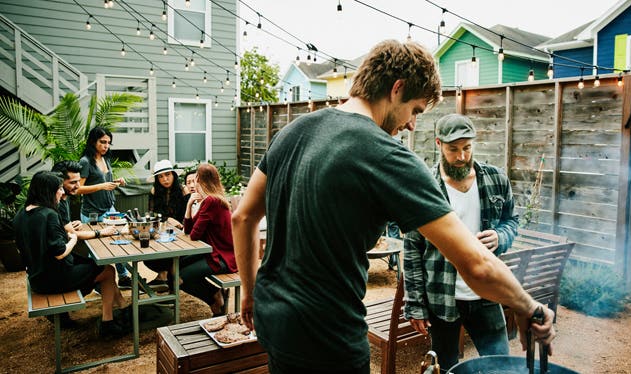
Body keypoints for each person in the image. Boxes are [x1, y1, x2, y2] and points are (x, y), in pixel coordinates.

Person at [231, 39, 555, 374]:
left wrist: (250, 293)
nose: (413, 124)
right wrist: (528, 307)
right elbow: (475, 264)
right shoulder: (385, 155)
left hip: (275, 323)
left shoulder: (293, 131)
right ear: (397, 89)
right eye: (415, 109)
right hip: (328, 339)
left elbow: (243, 216)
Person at [404, 113, 519, 370]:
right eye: (453, 149)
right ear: (438, 144)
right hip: (441, 297)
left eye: (467, 148)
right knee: (445, 367)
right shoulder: (425, 187)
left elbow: (512, 221)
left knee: (500, 365)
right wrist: (415, 305)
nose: (462, 156)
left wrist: (501, 236)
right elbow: (412, 250)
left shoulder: (496, 179)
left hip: (486, 292)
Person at [13, 171, 129, 337]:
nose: (61, 192)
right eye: (58, 189)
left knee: (98, 266)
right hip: (54, 279)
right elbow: (60, 253)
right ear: (47, 191)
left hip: (36, 277)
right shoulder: (49, 215)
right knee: (108, 271)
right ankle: (108, 323)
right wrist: (73, 238)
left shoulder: (22, 213)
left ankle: (124, 308)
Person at [77, 127, 132, 288]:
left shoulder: (105, 159)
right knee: (96, 248)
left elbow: (106, 182)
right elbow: (78, 189)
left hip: (110, 209)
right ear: (93, 141)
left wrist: (116, 181)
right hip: (93, 213)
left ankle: (123, 277)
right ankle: (94, 280)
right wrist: (101, 186)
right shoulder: (85, 162)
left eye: (108, 142)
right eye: (102, 142)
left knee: (119, 241)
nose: (106, 145)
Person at [180, 164, 235, 316]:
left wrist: (192, 205)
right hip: (213, 252)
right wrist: (189, 205)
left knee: (180, 277)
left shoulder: (212, 201)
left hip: (222, 257)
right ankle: (216, 294)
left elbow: (194, 235)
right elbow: (189, 230)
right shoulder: (210, 200)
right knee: (176, 268)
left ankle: (214, 299)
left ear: (200, 180)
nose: (193, 184)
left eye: (195, 179)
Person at [144, 160, 188, 292]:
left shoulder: (182, 190)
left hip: (181, 232)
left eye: (167, 174)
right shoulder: (154, 191)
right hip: (163, 231)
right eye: (161, 176)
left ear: (174, 175)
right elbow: (152, 214)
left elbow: (188, 215)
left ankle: (170, 281)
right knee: (148, 254)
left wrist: (176, 223)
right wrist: (168, 219)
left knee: (172, 255)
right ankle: (165, 277)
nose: (165, 179)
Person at [51, 161, 117, 240]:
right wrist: (100, 232)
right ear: (59, 181)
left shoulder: (66, 195)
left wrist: (71, 225)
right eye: (73, 182)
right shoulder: (56, 202)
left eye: (78, 181)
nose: (78, 186)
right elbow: (72, 234)